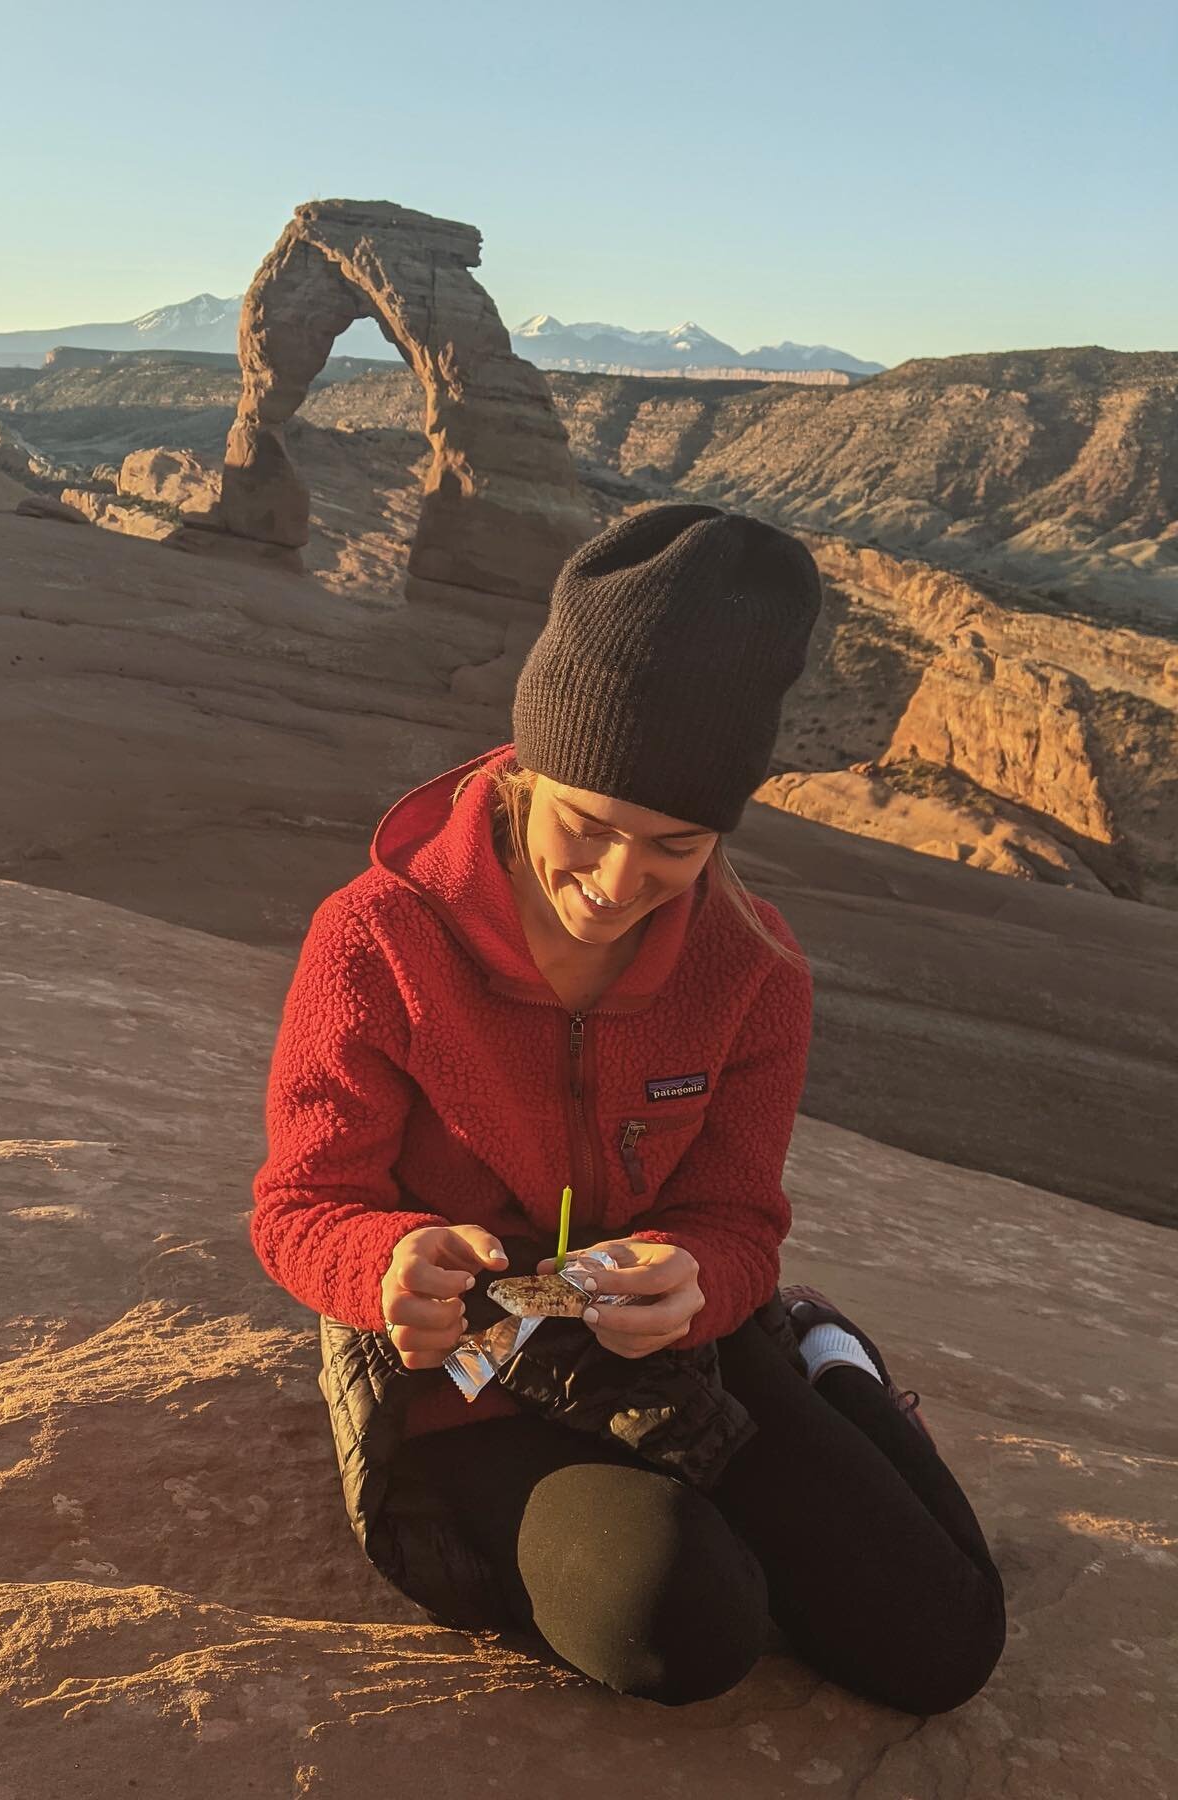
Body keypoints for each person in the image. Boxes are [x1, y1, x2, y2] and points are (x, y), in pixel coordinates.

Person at [251, 504, 1006, 1713]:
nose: (616, 883)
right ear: (526, 772)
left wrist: (700, 1275)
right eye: (587, 826)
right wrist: (384, 1258)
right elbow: (303, 1204)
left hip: (668, 1342)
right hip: (471, 1377)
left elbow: (739, 1218)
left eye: (676, 846)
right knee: (680, 1626)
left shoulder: (752, 972)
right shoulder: (379, 937)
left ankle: (833, 1366)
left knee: (938, 1649)